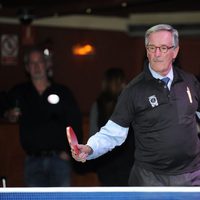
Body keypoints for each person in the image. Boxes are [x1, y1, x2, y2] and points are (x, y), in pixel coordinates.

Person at [72, 24, 200, 186]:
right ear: (147, 51)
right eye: (152, 48)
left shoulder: (190, 81)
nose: (157, 54)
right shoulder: (133, 90)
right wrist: (89, 148)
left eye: (163, 48)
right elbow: (113, 133)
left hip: (192, 175)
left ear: (175, 51)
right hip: (151, 179)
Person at [4, 47, 83, 187]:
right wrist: (8, 114)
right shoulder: (20, 92)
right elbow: (4, 108)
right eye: (32, 63)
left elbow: (75, 123)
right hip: (33, 161)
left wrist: (70, 152)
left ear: (47, 64)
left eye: (39, 62)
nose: (36, 66)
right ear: (27, 67)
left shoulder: (62, 92)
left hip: (60, 160)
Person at [89, 68, 134, 186]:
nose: (126, 84)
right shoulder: (127, 103)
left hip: (107, 162)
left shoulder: (97, 104)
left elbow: (93, 134)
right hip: (124, 161)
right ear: (118, 82)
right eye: (122, 81)